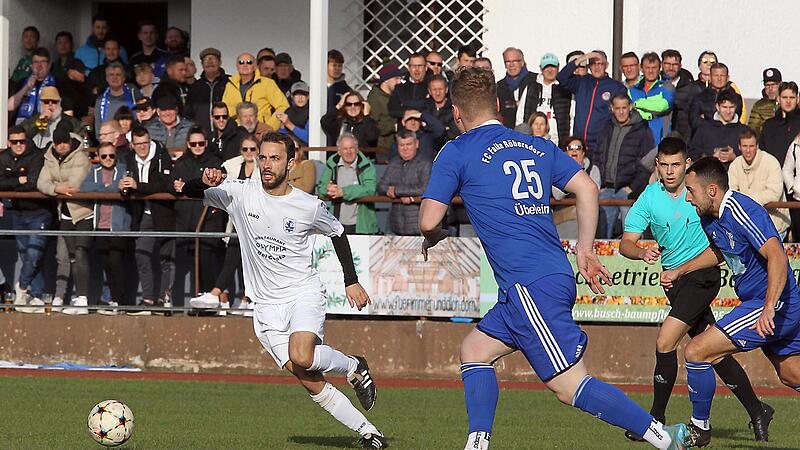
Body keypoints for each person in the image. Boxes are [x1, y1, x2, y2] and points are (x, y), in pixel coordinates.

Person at [418, 67, 691, 450]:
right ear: (498, 106)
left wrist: (436, 234)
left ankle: (664, 439)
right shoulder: (536, 145)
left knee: (569, 385)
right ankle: (477, 444)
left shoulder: (457, 150)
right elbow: (586, 186)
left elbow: (429, 219)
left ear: (457, 114)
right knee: (475, 350)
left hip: (529, 286)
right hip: (538, 281)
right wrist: (585, 248)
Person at [184, 133, 387, 448]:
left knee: (301, 355)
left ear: (291, 163)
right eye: (261, 157)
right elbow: (191, 191)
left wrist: (351, 279)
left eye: (274, 158)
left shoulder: (307, 205)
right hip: (265, 308)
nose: (266, 164)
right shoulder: (240, 192)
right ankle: (370, 433)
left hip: (301, 293)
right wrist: (203, 179)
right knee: (308, 379)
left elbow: (337, 232)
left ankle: (352, 365)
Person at [620, 137, 771, 442]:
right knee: (711, 349)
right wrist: (641, 252)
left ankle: (655, 421)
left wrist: (685, 268)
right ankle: (757, 410)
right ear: (657, 166)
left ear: (687, 164)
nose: (670, 171)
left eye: (676, 164)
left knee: (665, 341)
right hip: (674, 283)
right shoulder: (650, 197)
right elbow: (626, 243)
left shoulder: (700, 195)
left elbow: (723, 246)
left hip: (701, 277)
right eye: (664, 165)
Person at [662, 157, 800, 447]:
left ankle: (699, 430)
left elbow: (776, 255)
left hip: (772, 302)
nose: (688, 198)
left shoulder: (741, 209)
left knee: (697, 350)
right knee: (790, 374)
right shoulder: (709, 217)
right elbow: (723, 252)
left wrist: (768, 308)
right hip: (765, 302)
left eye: (691, 191)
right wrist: (681, 269)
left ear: (711, 190)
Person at [189, 134, 261, 315]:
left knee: (250, 262)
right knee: (234, 258)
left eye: (253, 149)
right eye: (245, 149)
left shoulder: (264, 169)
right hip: (239, 221)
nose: (249, 153)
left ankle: (229, 295)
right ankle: (238, 298)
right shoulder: (233, 167)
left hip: (259, 223)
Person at [37, 123, 92, 315]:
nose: (61, 146)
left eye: (64, 142)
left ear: (70, 142)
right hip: (66, 213)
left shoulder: (81, 157)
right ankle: (78, 299)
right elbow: (41, 182)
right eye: (58, 143)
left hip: (84, 213)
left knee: (80, 252)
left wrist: (55, 186)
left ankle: (83, 299)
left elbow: (75, 185)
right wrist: (57, 189)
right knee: (71, 256)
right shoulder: (49, 157)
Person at [120, 126, 176, 311]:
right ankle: (148, 299)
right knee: (141, 254)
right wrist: (124, 187)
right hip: (142, 214)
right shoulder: (129, 159)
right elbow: (127, 180)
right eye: (138, 144)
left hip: (163, 213)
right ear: (132, 145)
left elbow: (165, 184)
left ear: (150, 140)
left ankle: (164, 299)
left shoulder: (161, 155)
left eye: (145, 143)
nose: (142, 147)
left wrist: (138, 186)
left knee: (166, 258)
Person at [0, 126, 52, 313]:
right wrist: (17, 181)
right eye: (15, 142)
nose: (19, 145)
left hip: (39, 212)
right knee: (26, 255)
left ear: (27, 140)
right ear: (9, 143)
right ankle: (37, 295)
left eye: (22, 141)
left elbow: (32, 182)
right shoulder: (4, 157)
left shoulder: (36, 156)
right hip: (18, 213)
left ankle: (21, 288)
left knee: (34, 254)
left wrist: (11, 181)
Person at [170, 127, 225, 299]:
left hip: (208, 219)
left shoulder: (215, 162)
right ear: (188, 144)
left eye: (201, 143)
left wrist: (189, 186)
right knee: (180, 266)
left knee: (205, 263)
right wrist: (175, 186)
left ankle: (208, 302)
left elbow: (221, 184)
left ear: (206, 143)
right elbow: (169, 182)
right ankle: (177, 305)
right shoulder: (181, 163)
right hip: (185, 221)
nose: (197, 146)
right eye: (193, 143)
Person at [79, 142, 133, 313]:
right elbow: (85, 188)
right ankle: (111, 300)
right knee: (106, 265)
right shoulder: (94, 172)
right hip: (100, 226)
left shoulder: (123, 169)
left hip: (118, 226)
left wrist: (109, 189)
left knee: (116, 263)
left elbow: (123, 187)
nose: (108, 159)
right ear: (98, 158)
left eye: (111, 156)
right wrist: (108, 188)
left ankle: (119, 301)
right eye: (104, 156)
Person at [594, 92, 654, 238]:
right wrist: (599, 184)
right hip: (606, 189)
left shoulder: (642, 129)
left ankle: (631, 261)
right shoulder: (606, 127)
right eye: (617, 108)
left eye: (624, 108)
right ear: (612, 109)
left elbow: (647, 162)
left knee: (630, 234)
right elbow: (598, 154)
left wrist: (633, 187)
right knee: (603, 236)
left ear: (630, 107)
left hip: (627, 191)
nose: (621, 112)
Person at [557, 50, 626, 152]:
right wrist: (583, 58)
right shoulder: (582, 82)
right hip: (579, 145)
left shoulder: (616, 87)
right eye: (593, 64)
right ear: (589, 66)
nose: (597, 67)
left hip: (601, 146)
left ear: (606, 65)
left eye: (600, 64)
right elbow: (561, 77)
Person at [318, 133, 379, 235]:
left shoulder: (367, 166)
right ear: (339, 151)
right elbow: (321, 188)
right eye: (345, 149)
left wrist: (343, 192)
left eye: (351, 148)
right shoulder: (332, 164)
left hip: (361, 224)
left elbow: (370, 188)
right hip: (337, 223)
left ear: (357, 149)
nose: (349, 152)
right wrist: (328, 189)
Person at [378, 130, 431, 236]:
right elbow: (381, 186)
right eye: (401, 145)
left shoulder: (425, 164)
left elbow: (425, 188)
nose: (405, 148)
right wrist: (391, 191)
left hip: (418, 225)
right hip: (395, 224)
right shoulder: (394, 163)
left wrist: (397, 191)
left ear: (416, 144)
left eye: (409, 144)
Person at [222, 52, 289, 131]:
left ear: (255, 66)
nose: (245, 65)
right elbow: (225, 110)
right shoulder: (230, 85)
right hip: (237, 131)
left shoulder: (267, 83)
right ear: (237, 66)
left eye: (249, 62)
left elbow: (283, 106)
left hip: (260, 131)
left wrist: (269, 127)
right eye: (241, 62)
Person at [551, 137, 600, 239]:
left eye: (578, 148)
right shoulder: (558, 170)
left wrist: (580, 172)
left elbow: (594, 192)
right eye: (570, 148)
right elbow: (557, 195)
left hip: (586, 212)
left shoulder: (593, 169)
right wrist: (570, 172)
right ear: (565, 153)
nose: (574, 150)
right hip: (563, 212)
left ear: (583, 153)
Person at [689, 88, 747, 164]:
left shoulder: (744, 131)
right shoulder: (704, 128)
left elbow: (751, 156)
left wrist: (735, 157)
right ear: (717, 106)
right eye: (724, 107)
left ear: (736, 107)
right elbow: (693, 154)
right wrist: (711, 158)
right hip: (709, 173)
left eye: (731, 107)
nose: (728, 111)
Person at [628, 52, 675, 143]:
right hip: (637, 137)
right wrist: (651, 111)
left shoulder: (667, 87)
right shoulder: (632, 90)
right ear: (641, 68)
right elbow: (630, 113)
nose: (650, 71)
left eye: (654, 68)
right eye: (647, 68)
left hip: (660, 138)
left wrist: (637, 104)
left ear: (659, 68)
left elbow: (662, 106)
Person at [20, 86, 83, 150]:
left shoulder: (71, 121)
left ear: (59, 103)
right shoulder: (33, 120)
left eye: (54, 102)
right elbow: (21, 135)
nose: (50, 104)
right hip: (37, 156)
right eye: (46, 102)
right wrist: (37, 123)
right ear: (41, 104)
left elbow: (80, 141)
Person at [689, 63, 744, 133]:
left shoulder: (736, 98)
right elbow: (694, 122)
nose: (719, 79)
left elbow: (732, 118)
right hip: (706, 137)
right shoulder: (699, 98)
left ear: (727, 78)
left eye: (722, 75)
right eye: (716, 75)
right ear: (710, 77)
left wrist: (706, 116)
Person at [8, 47, 57, 124]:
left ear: (49, 65)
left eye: (43, 61)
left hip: (46, 126)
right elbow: (9, 106)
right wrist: (26, 87)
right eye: (36, 62)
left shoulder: (57, 83)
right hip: (23, 127)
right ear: (31, 66)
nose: (39, 66)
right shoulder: (22, 82)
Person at [51, 31, 91, 119]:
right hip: (58, 105)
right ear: (56, 46)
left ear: (71, 45)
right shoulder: (53, 65)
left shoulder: (77, 63)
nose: (63, 45)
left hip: (77, 107)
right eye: (60, 43)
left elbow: (83, 80)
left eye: (66, 42)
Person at [94, 62, 141, 137]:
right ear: (107, 78)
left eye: (118, 75)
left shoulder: (134, 94)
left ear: (123, 78)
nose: (114, 78)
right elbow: (98, 130)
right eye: (111, 75)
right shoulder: (100, 101)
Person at [188, 48, 229, 134]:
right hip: (202, 137)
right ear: (202, 64)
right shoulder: (195, 87)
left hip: (226, 134)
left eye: (213, 58)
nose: (210, 62)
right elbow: (188, 114)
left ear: (220, 62)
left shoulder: (230, 83)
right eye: (206, 59)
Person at [495, 47, 537, 128]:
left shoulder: (534, 81)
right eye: (508, 62)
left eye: (515, 61)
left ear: (522, 62)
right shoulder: (500, 86)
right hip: (508, 131)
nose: (511, 65)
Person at [367, 63, 404, 150]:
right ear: (386, 80)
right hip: (382, 147)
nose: (399, 82)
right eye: (396, 79)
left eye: (400, 78)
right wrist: (394, 126)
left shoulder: (397, 95)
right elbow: (373, 125)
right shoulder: (375, 98)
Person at [661, 49, 695, 142]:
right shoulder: (655, 85)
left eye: (675, 64)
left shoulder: (691, 88)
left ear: (680, 66)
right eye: (667, 64)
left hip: (683, 139)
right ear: (662, 64)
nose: (671, 68)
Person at [388, 53, 429, 119]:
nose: (417, 69)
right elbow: (392, 109)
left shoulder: (431, 87)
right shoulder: (400, 88)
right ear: (408, 68)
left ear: (426, 67)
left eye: (420, 66)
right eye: (413, 66)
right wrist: (406, 112)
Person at [424, 74, 460, 149]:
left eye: (440, 89)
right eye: (434, 89)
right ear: (429, 91)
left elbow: (453, 133)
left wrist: (429, 126)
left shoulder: (454, 108)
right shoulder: (425, 107)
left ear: (446, 90)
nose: (438, 93)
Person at [748, 69, 781, 136]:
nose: (770, 89)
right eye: (767, 85)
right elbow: (752, 130)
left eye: (773, 85)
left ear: (780, 85)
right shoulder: (758, 106)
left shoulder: (788, 102)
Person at [277, 82, 310, 146]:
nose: (300, 98)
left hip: (305, 150)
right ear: (292, 96)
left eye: (303, 94)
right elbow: (282, 136)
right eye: (297, 94)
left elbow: (309, 138)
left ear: (308, 96)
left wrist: (288, 124)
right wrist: (282, 127)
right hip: (290, 148)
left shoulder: (312, 112)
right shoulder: (288, 112)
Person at [326, 49, 351, 115]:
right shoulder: (317, 86)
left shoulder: (346, 89)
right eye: (334, 65)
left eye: (340, 65)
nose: (337, 69)